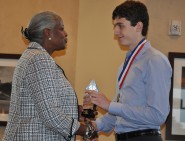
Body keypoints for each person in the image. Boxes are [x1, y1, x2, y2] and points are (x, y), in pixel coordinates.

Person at [84, 1, 172, 141]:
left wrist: (109, 105)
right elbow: (120, 114)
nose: (115, 32)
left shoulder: (154, 60)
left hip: (144, 138)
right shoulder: (124, 66)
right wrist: (93, 127)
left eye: (120, 26)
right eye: (115, 26)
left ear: (138, 26)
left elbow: (158, 115)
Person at [3, 11, 97, 141]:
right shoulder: (39, 59)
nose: (66, 33)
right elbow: (51, 114)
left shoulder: (32, 56)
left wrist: (73, 111)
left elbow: (41, 105)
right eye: (61, 29)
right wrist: (86, 130)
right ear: (48, 33)